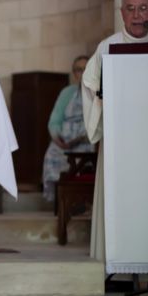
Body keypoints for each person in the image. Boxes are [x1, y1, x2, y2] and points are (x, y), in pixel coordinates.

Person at [82, 0, 148, 262]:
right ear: (122, 13)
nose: (137, 14)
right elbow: (90, 85)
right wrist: (103, 94)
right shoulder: (106, 47)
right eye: (130, 8)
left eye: (143, 8)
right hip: (120, 143)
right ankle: (117, 261)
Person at [41, 55, 95, 202]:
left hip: (86, 141)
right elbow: (54, 120)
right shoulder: (67, 92)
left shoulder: (97, 93)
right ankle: (61, 201)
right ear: (74, 73)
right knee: (51, 154)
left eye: (85, 69)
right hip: (63, 142)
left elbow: (98, 121)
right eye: (78, 70)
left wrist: (82, 136)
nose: (82, 73)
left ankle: (84, 201)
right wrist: (58, 139)